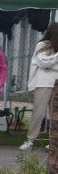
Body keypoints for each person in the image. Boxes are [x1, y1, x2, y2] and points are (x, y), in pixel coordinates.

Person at [21, 22, 58, 150]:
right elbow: (42, 63)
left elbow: (48, 64)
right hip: (43, 83)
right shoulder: (42, 45)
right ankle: (30, 140)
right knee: (39, 112)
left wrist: (51, 65)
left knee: (55, 114)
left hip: (56, 83)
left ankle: (54, 142)